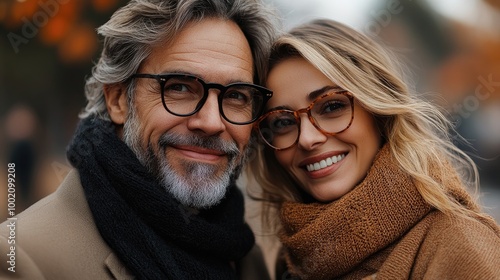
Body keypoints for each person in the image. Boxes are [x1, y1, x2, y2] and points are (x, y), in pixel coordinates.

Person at [0, 0, 277, 279]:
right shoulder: (22, 257)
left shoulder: (246, 260)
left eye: (236, 96)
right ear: (118, 100)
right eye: (179, 87)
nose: (211, 122)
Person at [249, 19, 500, 279]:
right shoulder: (292, 262)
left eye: (332, 106)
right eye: (283, 122)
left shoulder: (459, 246)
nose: (307, 139)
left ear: (378, 112)